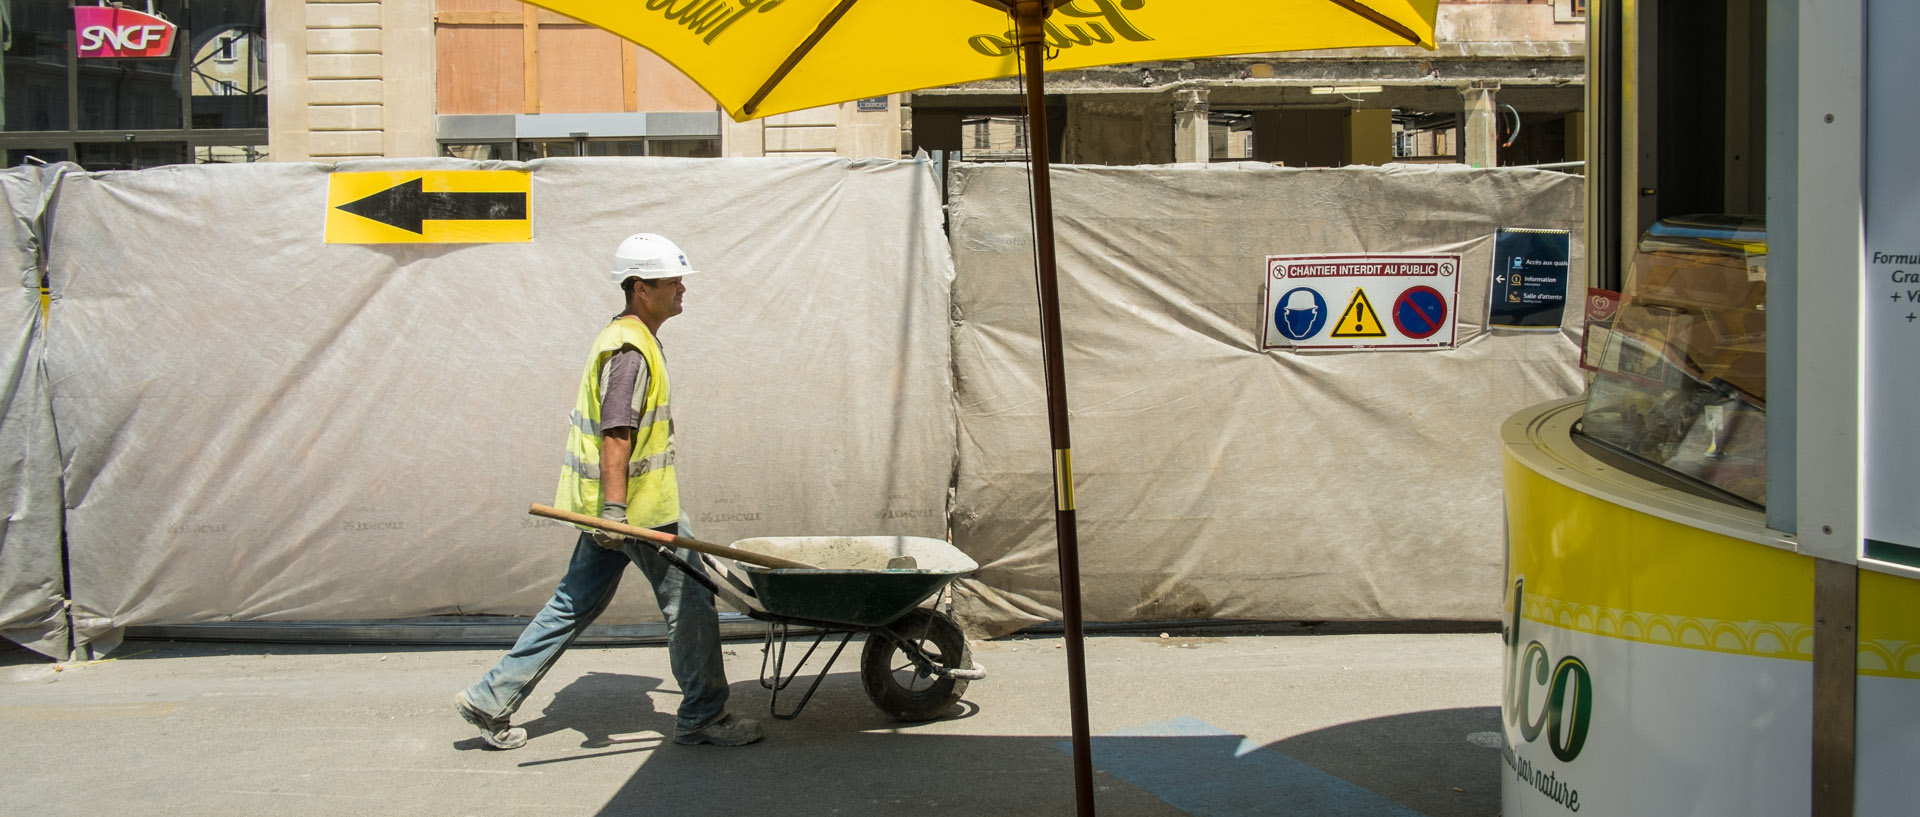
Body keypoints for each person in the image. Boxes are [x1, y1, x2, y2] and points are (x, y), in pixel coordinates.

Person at [455, 233, 763, 750]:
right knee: (691, 604)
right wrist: (617, 513)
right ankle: (704, 715)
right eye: (673, 281)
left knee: (572, 604)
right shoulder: (630, 350)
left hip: (617, 509)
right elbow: (616, 431)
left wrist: (609, 512)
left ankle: (490, 697)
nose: (683, 289)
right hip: (638, 512)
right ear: (642, 288)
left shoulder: (627, 338)